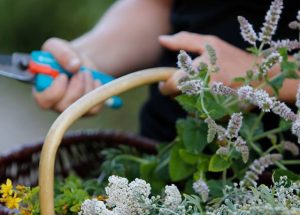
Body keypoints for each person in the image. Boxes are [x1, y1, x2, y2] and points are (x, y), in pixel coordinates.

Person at [33, 0, 300, 142]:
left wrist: (260, 75)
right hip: (163, 158)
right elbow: (160, 5)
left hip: (278, 196)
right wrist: (83, 58)